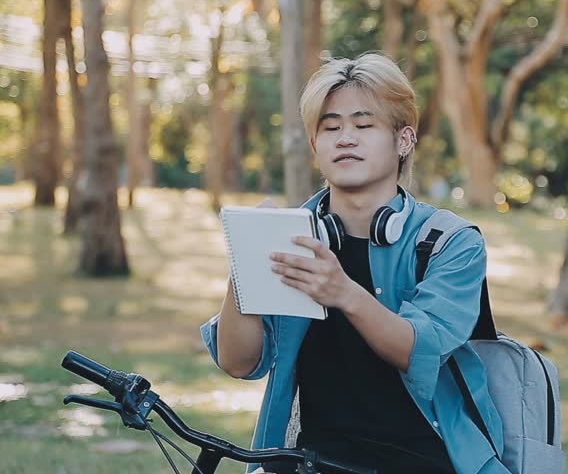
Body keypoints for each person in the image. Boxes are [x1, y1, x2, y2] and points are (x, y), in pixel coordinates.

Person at [201, 53, 509, 474]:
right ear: (315, 146)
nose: (346, 138)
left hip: (428, 460)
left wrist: (343, 292)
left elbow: (420, 350)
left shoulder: (450, 243)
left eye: (364, 126)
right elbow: (237, 362)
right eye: (331, 128)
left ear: (404, 140)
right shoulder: (291, 238)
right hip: (311, 461)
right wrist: (246, 260)